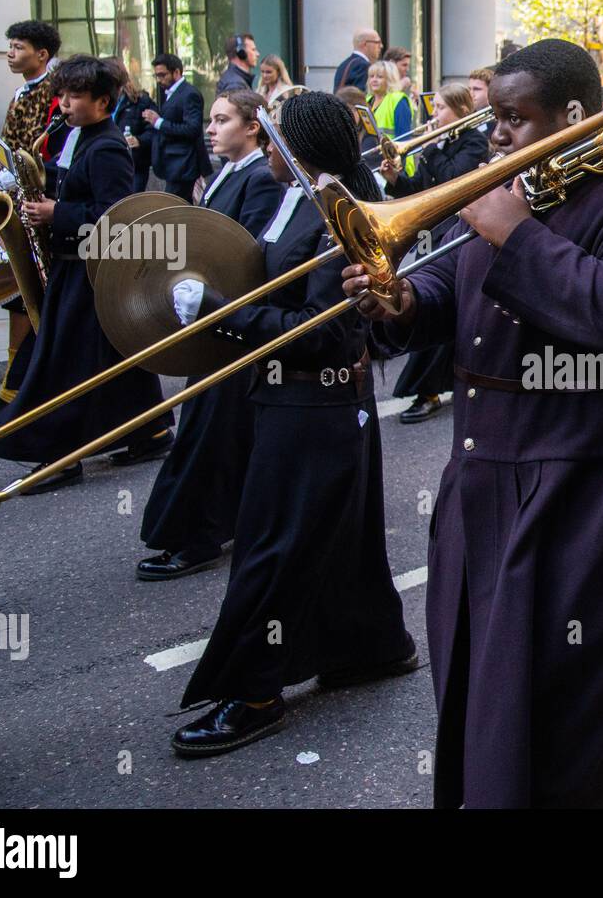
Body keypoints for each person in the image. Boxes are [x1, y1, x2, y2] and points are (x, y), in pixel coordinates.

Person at [346, 38, 603, 807]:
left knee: (573, 707)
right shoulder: (514, 193)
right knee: (484, 686)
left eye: (514, 118)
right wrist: (399, 301)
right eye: (492, 118)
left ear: (574, 116)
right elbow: (446, 283)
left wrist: (517, 234)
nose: (497, 135)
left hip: (595, 485)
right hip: (490, 474)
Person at [168, 91, 414, 756]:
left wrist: (226, 313)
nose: (264, 148)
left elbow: (324, 338)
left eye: (273, 140)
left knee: (270, 551)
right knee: (336, 539)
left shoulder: (338, 214)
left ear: (298, 153)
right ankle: (371, 646)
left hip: (318, 398)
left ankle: (253, 692)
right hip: (291, 398)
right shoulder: (291, 198)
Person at [0, 55, 174, 490]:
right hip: (76, 268)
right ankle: (151, 431)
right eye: (61, 95)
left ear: (103, 102)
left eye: (74, 96)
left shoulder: (106, 147)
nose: (63, 103)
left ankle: (60, 459)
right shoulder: (81, 136)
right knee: (116, 357)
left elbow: (115, 217)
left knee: (62, 366)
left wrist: (56, 212)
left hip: (91, 272)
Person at [137, 90, 283, 582]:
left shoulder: (260, 179)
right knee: (216, 432)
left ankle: (196, 537)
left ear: (252, 128)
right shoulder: (230, 172)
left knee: (211, 435)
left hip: (229, 325)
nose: (212, 128)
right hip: (213, 320)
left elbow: (245, 258)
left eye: (223, 120)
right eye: (212, 120)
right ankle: (222, 523)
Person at [0, 20, 69, 430]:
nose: (9, 52)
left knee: (27, 296)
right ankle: (15, 386)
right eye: (9, 45)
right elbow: (9, 143)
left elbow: (46, 150)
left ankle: (17, 391)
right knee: (18, 295)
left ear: (41, 54)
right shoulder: (24, 89)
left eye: (18, 46)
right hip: (15, 201)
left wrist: (19, 178)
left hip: (36, 206)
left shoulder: (54, 93)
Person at [379, 83, 488, 425]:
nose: (433, 116)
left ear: (460, 110)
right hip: (432, 233)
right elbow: (422, 193)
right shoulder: (438, 145)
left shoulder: (472, 142)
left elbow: (455, 181)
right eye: (434, 108)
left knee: (443, 307)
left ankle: (426, 391)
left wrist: (430, 147)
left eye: (440, 108)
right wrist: (397, 179)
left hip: (459, 233)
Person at [146, 53, 211, 203]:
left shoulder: (189, 94)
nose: (159, 80)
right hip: (175, 165)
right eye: (156, 76)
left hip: (183, 165)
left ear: (176, 72)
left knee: (174, 208)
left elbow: (192, 129)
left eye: (162, 75)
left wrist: (158, 122)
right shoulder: (172, 93)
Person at [102, 57, 157, 194]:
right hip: (107, 162)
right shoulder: (98, 101)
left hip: (134, 165)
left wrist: (139, 140)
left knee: (130, 207)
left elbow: (153, 129)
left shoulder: (140, 101)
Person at [367, 60, 414, 175]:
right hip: (374, 164)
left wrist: (400, 168)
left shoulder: (398, 100)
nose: (374, 80)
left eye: (379, 77)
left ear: (389, 79)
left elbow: (404, 138)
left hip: (396, 165)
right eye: (371, 76)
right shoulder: (367, 100)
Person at [334, 28, 383, 92]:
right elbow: (361, 97)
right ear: (365, 44)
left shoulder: (343, 64)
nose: (381, 46)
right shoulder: (363, 66)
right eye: (377, 42)